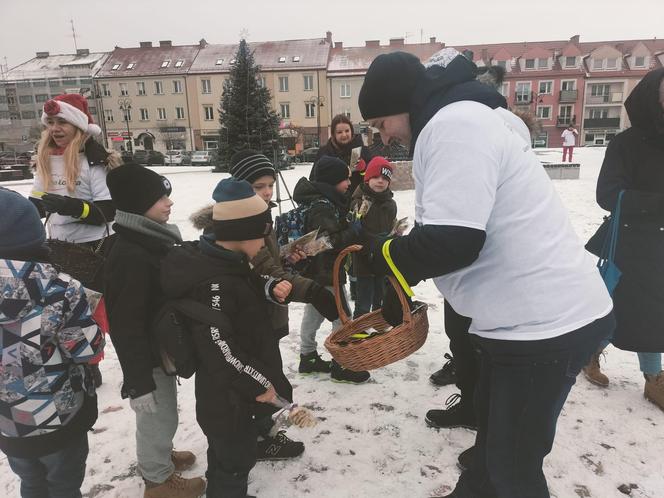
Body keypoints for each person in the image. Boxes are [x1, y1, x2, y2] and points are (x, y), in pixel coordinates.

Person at [358, 50, 614, 497]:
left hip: (541, 327)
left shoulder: (453, 127)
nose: (386, 137)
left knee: (512, 471)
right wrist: (399, 275)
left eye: (383, 123)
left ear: (404, 102)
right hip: (521, 323)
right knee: (495, 447)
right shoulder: (460, 121)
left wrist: (384, 255)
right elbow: (449, 221)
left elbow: (453, 241)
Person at [189, 150, 338, 460]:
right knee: (257, 382)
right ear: (242, 190)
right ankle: (257, 439)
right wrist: (313, 291)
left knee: (264, 377)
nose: (268, 192)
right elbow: (263, 271)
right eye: (258, 187)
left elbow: (267, 263)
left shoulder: (259, 219)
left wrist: (287, 255)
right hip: (253, 321)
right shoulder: (240, 226)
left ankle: (260, 435)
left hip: (267, 314)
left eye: (270, 185)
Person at [159, 178, 294, 498]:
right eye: (261, 234)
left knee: (225, 453)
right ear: (240, 234)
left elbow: (243, 295)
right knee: (236, 457)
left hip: (230, 394)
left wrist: (267, 289)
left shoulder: (229, 262)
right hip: (227, 396)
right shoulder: (216, 282)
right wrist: (259, 383)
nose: (265, 240)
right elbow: (222, 350)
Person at [104, 164, 205, 498]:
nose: (169, 203)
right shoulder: (131, 254)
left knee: (163, 417)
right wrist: (139, 382)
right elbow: (125, 324)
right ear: (136, 204)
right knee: (156, 418)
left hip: (158, 349)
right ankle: (157, 480)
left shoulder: (148, 240)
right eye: (160, 198)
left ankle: (158, 455)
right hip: (147, 358)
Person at [0, 187, 104, 498]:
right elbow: (88, 348)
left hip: (8, 422)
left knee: (31, 481)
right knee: (63, 484)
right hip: (58, 415)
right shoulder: (58, 288)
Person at [582, 68, 664, 411]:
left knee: (656, 313)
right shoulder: (625, 143)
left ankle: (653, 378)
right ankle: (589, 354)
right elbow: (608, 194)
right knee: (616, 308)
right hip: (630, 244)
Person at [29, 93, 123, 388]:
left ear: (78, 126)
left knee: (93, 309)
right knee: (63, 309)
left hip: (92, 247)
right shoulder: (45, 158)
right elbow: (36, 202)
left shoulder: (94, 160)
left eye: (62, 122)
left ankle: (92, 361)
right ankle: (78, 360)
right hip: (56, 245)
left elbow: (108, 211)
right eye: (51, 123)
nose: (55, 129)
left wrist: (73, 208)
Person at [294, 155, 370, 383]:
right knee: (342, 318)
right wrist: (352, 231)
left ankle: (307, 356)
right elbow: (328, 242)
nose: (349, 184)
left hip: (318, 272)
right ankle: (342, 365)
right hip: (327, 271)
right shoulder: (322, 206)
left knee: (314, 313)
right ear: (331, 181)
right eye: (344, 180)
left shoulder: (323, 202)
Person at [349, 156, 397, 318]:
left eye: (385, 178)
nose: (380, 181)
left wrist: (394, 235)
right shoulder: (359, 201)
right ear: (367, 178)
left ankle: (379, 330)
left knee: (381, 298)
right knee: (363, 301)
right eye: (375, 177)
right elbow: (355, 231)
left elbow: (391, 226)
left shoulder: (390, 204)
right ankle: (358, 333)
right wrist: (373, 243)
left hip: (383, 258)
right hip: (364, 258)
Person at [315, 114, 374, 196]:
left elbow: (372, 180)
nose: (344, 135)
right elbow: (315, 179)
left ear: (352, 131)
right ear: (333, 134)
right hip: (331, 200)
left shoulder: (362, 151)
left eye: (347, 131)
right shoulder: (324, 152)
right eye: (339, 132)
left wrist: (363, 170)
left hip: (356, 199)